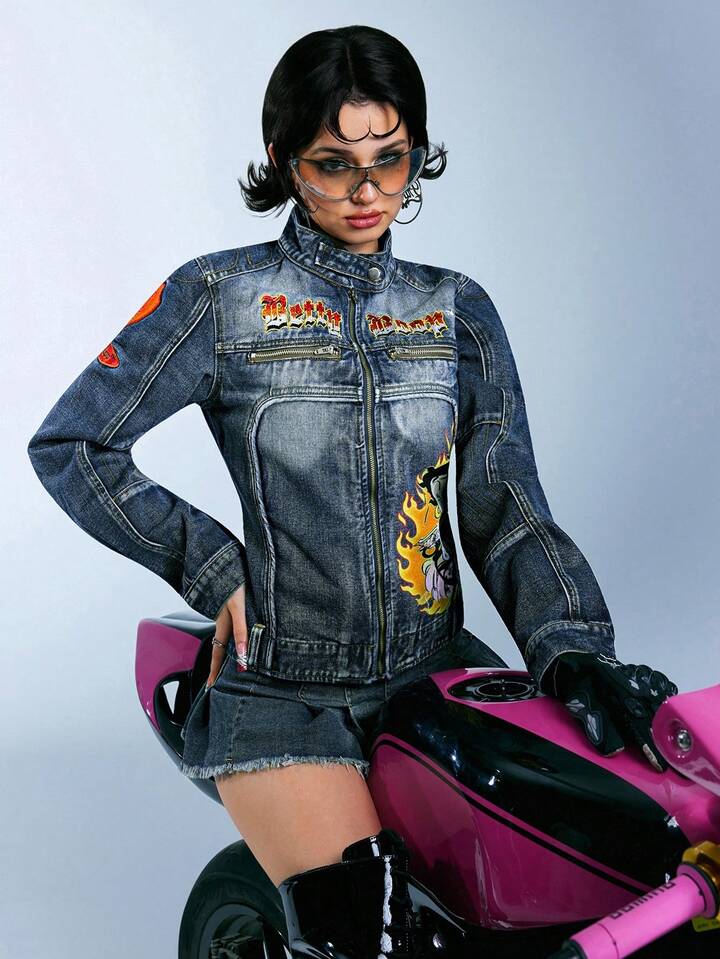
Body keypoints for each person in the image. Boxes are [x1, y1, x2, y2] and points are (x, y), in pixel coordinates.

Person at [26, 24, 678, 959]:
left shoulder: (456, 310)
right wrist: (213, 568)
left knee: (595, 888)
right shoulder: (220, 297)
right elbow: (73, 443)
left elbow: (505, 505)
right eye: (334, 164)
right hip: (282, 687)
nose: (368, 191)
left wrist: (570, 647)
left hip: (435, 667)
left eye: (391, 159)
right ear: (284, 161)